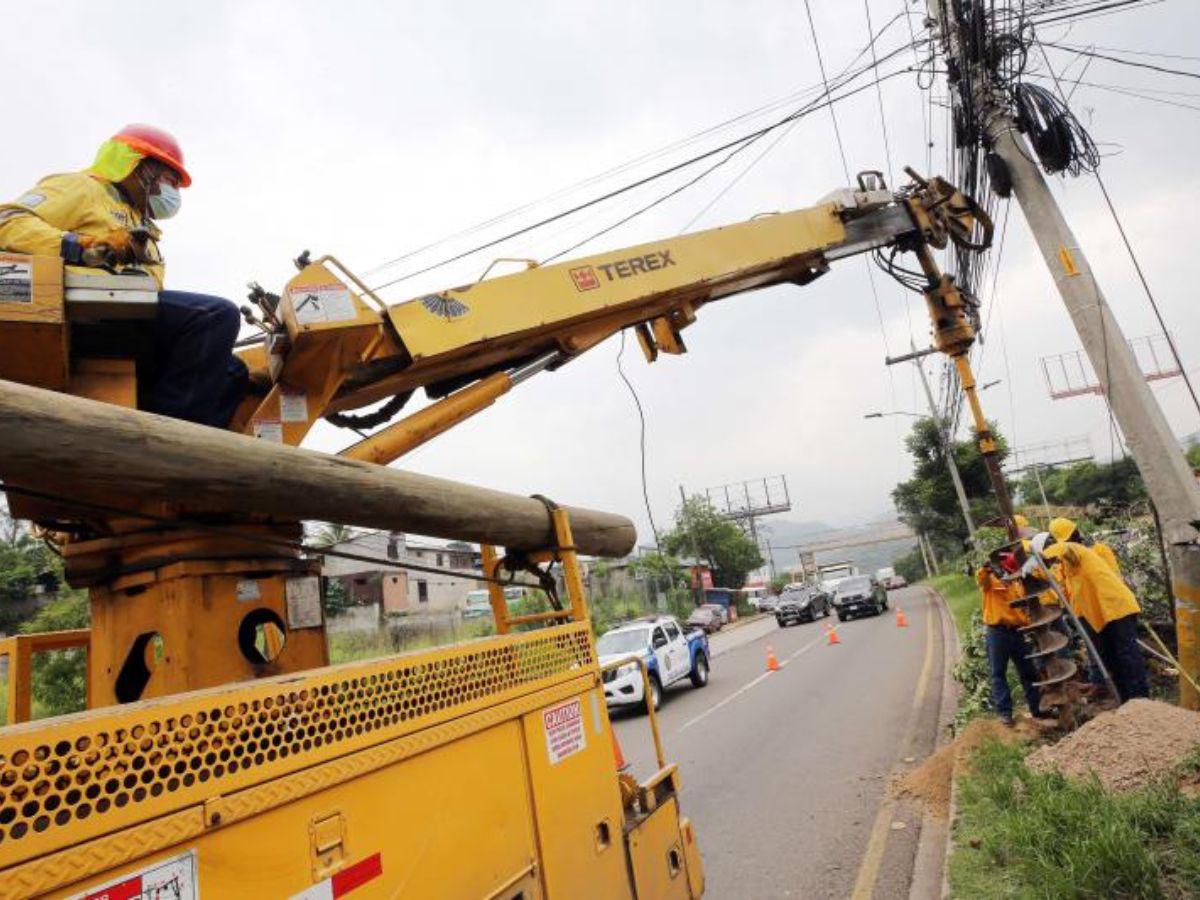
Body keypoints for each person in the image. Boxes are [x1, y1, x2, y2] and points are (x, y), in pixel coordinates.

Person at [0, 124, 248, 428]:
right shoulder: (84, 187)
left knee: (233, 372)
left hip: (124, 321)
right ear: (140, 167)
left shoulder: (139, 224)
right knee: (214, 316)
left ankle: (190, 451)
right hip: (84, 318)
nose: (173, 193)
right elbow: (8, 222)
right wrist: (80, 246)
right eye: (171, 180)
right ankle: (168, 441)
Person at [1040, 534, 1149, 702]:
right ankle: (1126, 701)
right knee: (1112, 657)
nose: (1052, 562)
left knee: (1127, 654)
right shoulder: (1066, 565)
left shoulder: (1076, 551)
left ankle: (1140, 699)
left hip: (1116, 607)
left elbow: (1066, 548)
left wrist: (1039, 558)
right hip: (1101, 613)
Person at [976, 560, 1044, 726]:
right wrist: (985, 568)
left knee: (1028, 671)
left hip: (1017, 631)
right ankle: (1005, 714)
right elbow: (981, 579)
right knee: (998, 673)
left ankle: (1037, 709)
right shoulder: (990, 581)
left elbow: (1023, 608)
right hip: (997, 631)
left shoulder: (1017, 584)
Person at [1049, 516, 1120, 574]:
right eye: (1066, 542)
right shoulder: (1066, 561)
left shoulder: (1099, 550)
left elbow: (1114, 576)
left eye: (1071, 538)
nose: (1069, 544)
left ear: (1076, 533)